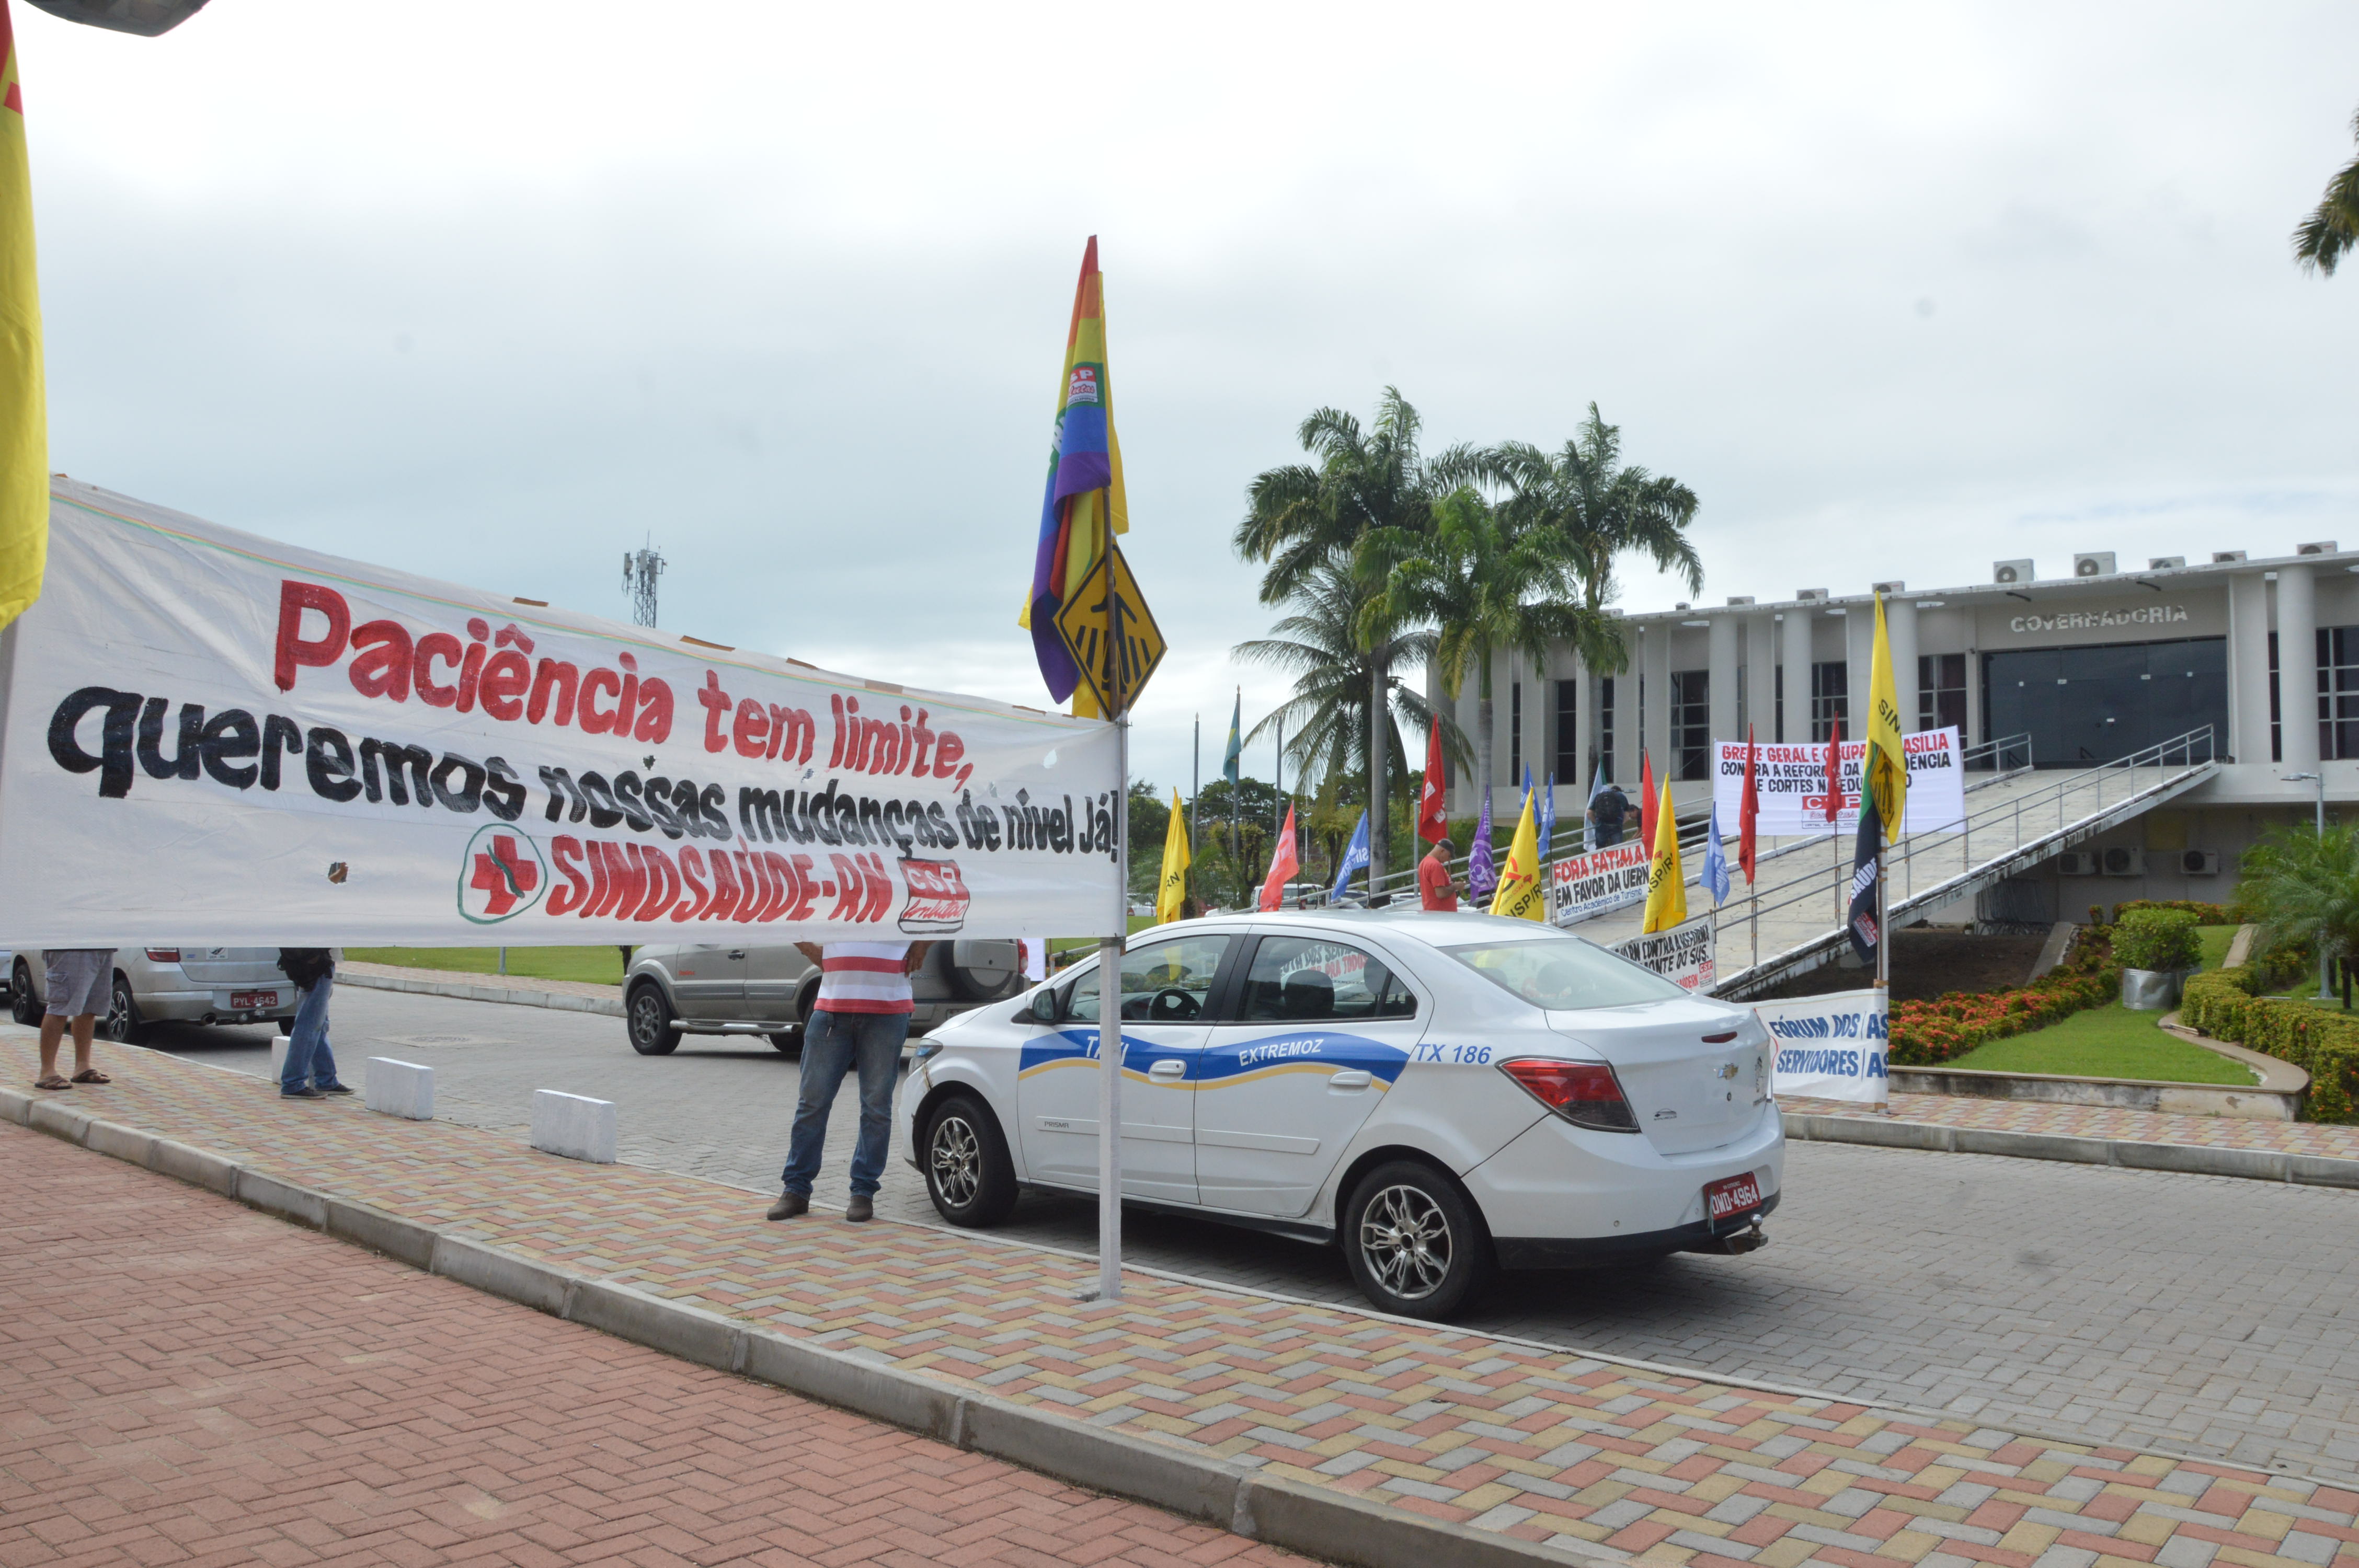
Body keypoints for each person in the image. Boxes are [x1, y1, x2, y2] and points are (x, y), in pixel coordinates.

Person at [768, 939, 932, 1223]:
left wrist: (923, 944)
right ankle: (795, 1190)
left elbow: (946, 911)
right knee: (812, 1104)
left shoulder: (899, 893)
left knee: (876, 1108)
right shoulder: (837, 893)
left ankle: (863, 1192)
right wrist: (808, 947)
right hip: (832, 1010)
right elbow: (790, 913)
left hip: (888, 1011)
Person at [33, 949, 116, 1091]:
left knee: (90, 1008)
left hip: (102, 945)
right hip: (70, 947)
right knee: (61, 1006)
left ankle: (82, 1067)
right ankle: (47, 1072)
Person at [277, 947, 350, 1100]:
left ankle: (326, 1079)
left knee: (318, 1025)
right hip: (316, 966)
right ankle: (293, 1084)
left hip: (314, 964)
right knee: (309, 1025)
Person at [1417, 835, 1459, 912]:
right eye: (1449, 856)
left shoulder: (1424, 862)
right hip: (1441, 915)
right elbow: (1441, 894)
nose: (1448, 860)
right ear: (1442, 851)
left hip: (1432, 911)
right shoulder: (1435, 865)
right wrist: (1455, 886)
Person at [1588, 782, 1630, 847]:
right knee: (1617, 848)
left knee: (1600, 848)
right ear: (1619, 791)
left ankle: (1600, 857)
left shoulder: (1599, 795)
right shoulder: (1621, 796)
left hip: (1601, 825)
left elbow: (1589, 813)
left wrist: (1596, 823)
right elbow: (1627, 815)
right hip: (1616, 825)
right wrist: (1622, 823)